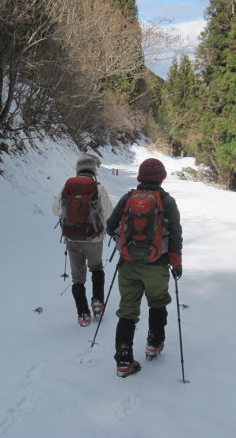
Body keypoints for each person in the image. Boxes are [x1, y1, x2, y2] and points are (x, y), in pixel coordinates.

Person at [106, 158, 183, 377]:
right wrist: (176, 264)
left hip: (128, 264)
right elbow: (175, 236)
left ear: (140, 176)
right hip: (156, 266)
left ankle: (123, 360)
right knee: (158, 303)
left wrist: (121, 245)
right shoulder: (167, 202)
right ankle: (154, 343)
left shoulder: (128, 198)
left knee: (127, 311)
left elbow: (110, 226)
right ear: (161, 177)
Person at [53, 155, 114, 327]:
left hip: (72, 238)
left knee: (77, 278)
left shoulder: (67, 188)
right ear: (93, 170)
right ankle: (97, 302)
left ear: (78, 170)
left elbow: (54, 209)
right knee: (96, 269)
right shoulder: (98, 188)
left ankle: (83, 313)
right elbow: (109, 214)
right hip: (94, 239)